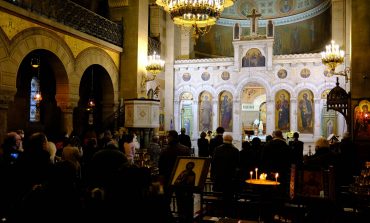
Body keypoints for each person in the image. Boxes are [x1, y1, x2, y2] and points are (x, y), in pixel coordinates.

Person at [211, 134, 240, 217]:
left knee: (217, 194)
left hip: (218, 177)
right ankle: (228, 213)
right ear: (231, 141)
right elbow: (237, 165)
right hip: (230, 178)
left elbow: (213, 163)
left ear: (223, 140)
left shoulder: (217, 149)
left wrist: (213, 175)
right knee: (228, 196)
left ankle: (217, 212)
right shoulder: (235, 150)